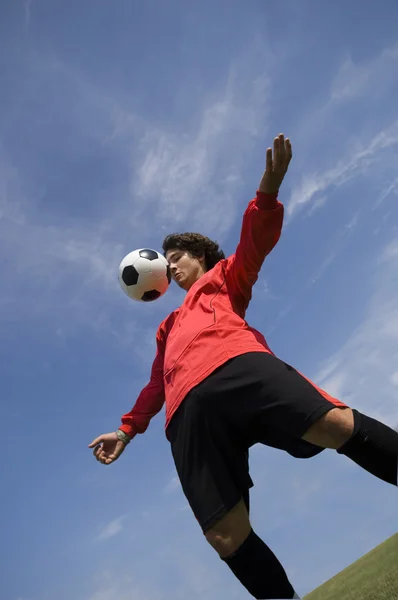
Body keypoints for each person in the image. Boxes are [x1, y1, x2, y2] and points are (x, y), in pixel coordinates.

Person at [89, 134, 398, 600]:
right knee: (225, 535)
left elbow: (256, 242)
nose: (171, 268)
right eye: (167, 263)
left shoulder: (224, 279)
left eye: (178, 259)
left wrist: (267, 195)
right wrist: (127, 430)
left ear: (201, 259)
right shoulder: (167, 328)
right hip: (187, 416)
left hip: (238, 367)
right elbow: (156, 384)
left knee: (335, 425)